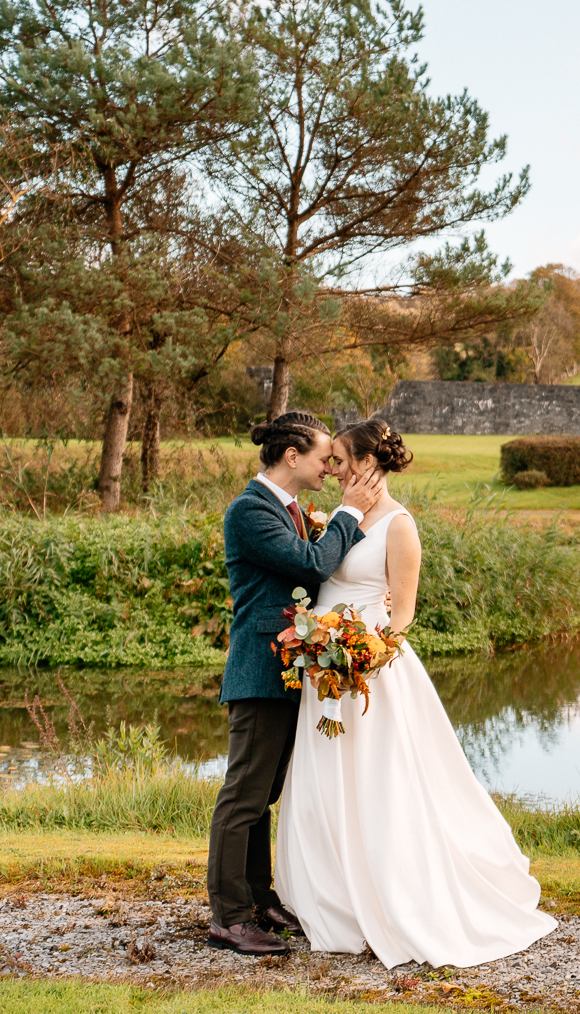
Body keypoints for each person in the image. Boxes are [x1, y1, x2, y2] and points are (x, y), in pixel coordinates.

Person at [274, 417, 557, 967]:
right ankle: (327, 898)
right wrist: (321, 647)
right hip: (324, 667)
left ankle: (395, 896)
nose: (331, 469)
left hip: (369, 670)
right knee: (325, 780)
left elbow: (401, 615)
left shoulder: (400, 526)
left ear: (365, 463)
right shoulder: (340, 515)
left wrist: (360, 657)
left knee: (380, 780)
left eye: (339, 460)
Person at [207, 411, 381, 956]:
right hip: (260, 670)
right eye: (324, 457)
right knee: (243, 797)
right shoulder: (250, 511)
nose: (331, 467)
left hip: (287, 669)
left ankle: (259, 898)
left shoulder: (288, 510)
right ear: (291, 457)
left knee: (264, 796)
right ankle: (229, 918)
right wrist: (350, 513)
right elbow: (311, 565)